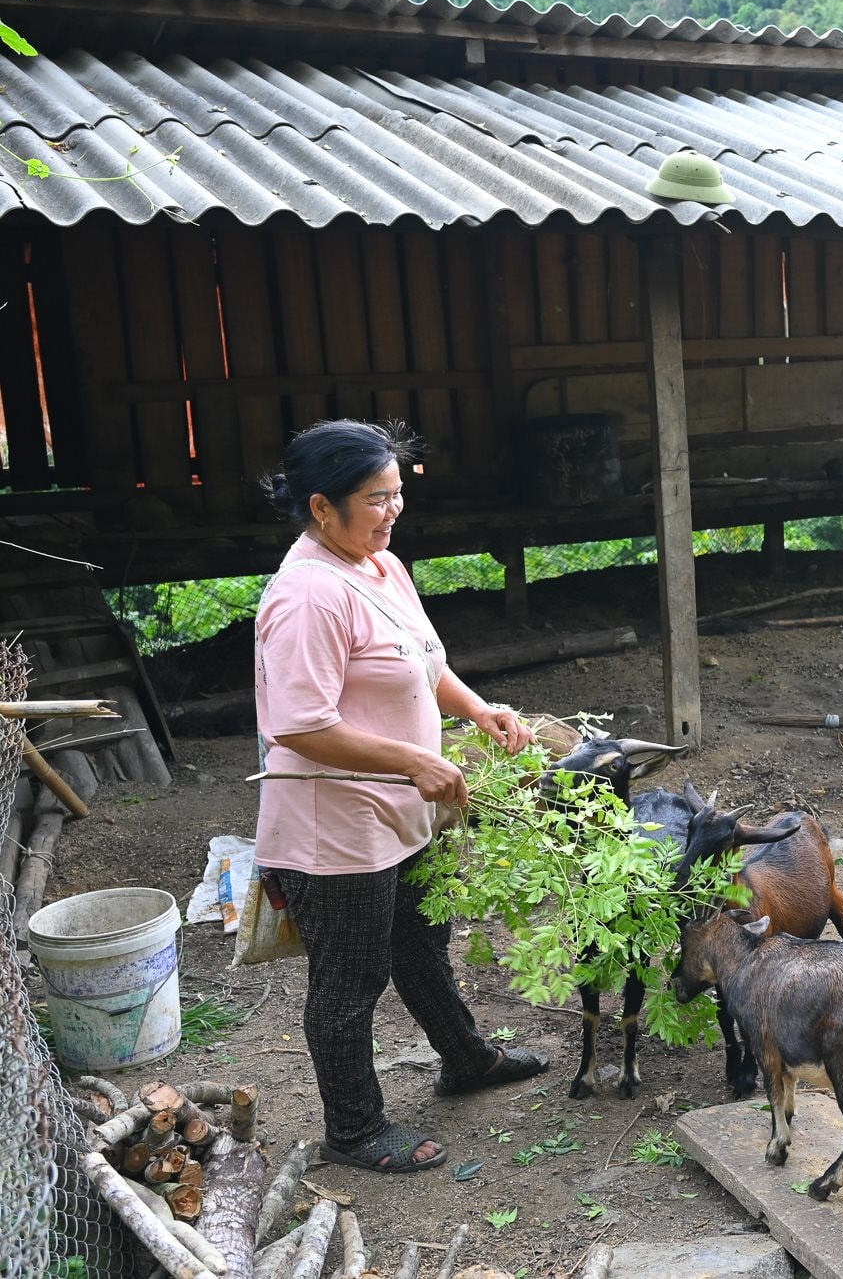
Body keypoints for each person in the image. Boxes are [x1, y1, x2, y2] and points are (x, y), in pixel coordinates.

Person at [254, 419, 545, 1173]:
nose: (392, 511)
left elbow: (424, 664)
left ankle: (466, 1059)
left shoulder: (381, 569)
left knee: (421, 940)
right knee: (351, 981)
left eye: (396, 495)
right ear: (323, 508)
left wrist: (477, 709)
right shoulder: (308, 596)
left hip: (401, 811)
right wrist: (414, 759)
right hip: (336, 825)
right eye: (375, 498)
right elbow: (299, 726)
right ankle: (352, 1131)